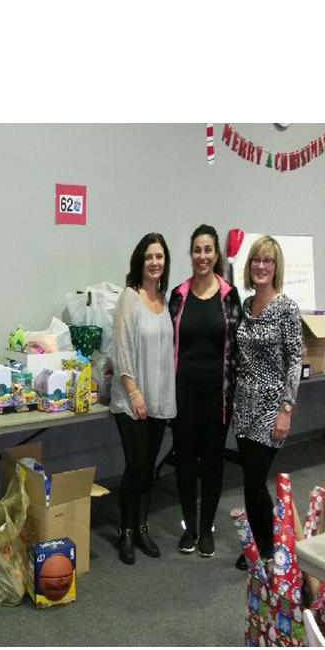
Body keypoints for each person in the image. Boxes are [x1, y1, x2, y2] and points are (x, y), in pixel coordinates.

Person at [167, 224, 243, 557]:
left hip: (218, 394)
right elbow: (166, 343)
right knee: (185, 460)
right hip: (182, 392)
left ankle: (207, 528)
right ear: (191, 254)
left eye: (208, 249)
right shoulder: (179, 295)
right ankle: (190, 527)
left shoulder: (228, 295)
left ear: (216, 254)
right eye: (197, 250)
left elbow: (239, 345)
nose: (202, 256)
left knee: (212, 461)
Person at [231, 235, 303, 572]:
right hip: (243, 406)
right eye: (256, 260)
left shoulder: (286, 307)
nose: (261, 266)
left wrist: (286, 409)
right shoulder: (247, 306)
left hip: (271, 406)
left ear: (276, 267)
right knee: (250, 479)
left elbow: (294, 360)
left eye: (268, 261)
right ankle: (259, 544)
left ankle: (273, 546)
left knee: (255, 479)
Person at [109, 233, 177, 564]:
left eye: (159, 256)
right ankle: (125, 530)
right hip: (131, 399)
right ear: (140, 260)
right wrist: (134, 393)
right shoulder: (130, 297)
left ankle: (141, 528)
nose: (154, 262)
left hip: (158, 399)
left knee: (149, 467)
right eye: (149, 256)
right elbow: (121, 350)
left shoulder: (163, 300)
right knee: (135, 465)